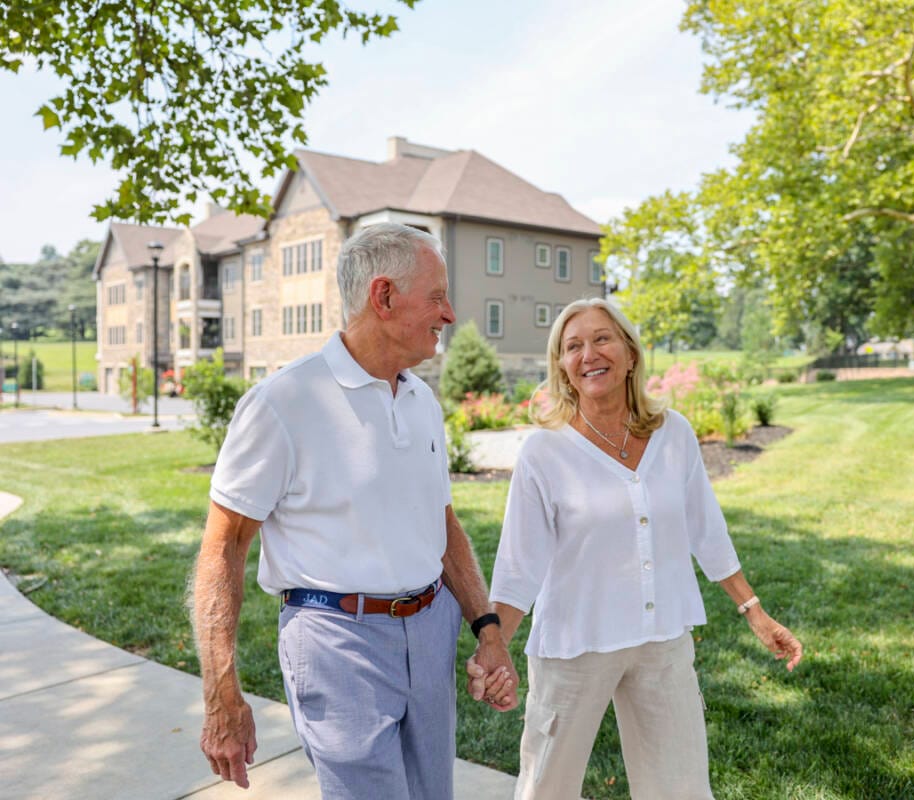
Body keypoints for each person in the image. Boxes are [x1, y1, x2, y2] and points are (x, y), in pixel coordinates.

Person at [191, 223, 518, 799]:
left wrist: (485, 627)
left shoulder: (421, 400)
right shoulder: (283, 401)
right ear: (384, 296)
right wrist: (221, 693)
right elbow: (223, 548)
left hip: (431, 630)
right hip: (336, 641)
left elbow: (441, 524)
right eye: (437, 296)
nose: (449, 314)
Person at [469, 297, 803, 799]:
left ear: (629, 352)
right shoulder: (544, 451)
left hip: (661, 637)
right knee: (547, 787)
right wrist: (496, 649)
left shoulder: (674, 434)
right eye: (572, 346)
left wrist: (754, 611)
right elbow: (520, 564)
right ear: (561, 366)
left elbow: (705, 527)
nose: (588, 354)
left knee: (682, 788)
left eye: (601, 339)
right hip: (576, 641)